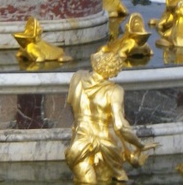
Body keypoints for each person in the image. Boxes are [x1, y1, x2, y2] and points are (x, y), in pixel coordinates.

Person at [65, 50, 155, 183]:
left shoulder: (77, 77)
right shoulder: (114, 91)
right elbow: (120, 126)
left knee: (87, 181)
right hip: (107, 145)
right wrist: (139, 144)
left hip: (80, 143)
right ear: (114, 70)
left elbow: (70, 103)